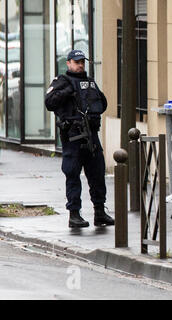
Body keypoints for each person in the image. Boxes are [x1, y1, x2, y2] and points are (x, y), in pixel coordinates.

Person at [44, 49, 114, 228]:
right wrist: (67, 92)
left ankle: (100, 211)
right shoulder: (62, 81)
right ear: (68, 63)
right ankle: (74, 214)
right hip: (73, 137)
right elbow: (49, 102)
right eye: (77, 62)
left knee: (97, 174)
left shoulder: (90, 82)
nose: (80, 64)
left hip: (91, 136)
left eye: (82, 61)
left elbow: (102, 103)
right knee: (72, 173)